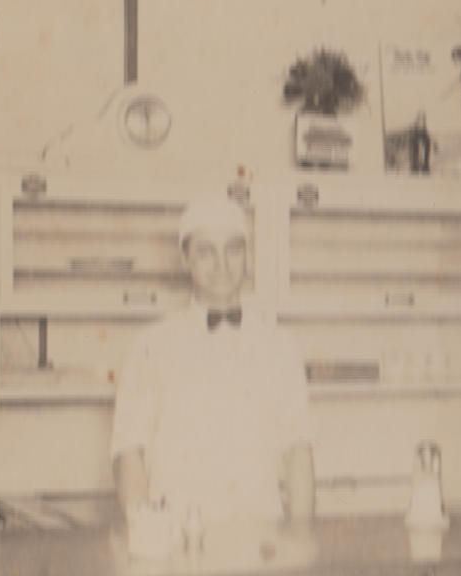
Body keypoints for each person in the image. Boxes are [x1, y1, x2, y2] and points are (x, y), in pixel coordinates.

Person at [111, 196, 315, 539]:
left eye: (233, 250)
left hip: (260, 537)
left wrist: (303, 540)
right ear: (185, 259)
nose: (222, 264)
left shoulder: (280, 344)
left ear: (247, 256)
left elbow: (299, 453)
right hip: (175, 534)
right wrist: (148, 537)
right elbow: (128, 451)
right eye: (206, 251)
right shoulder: (151, 344)